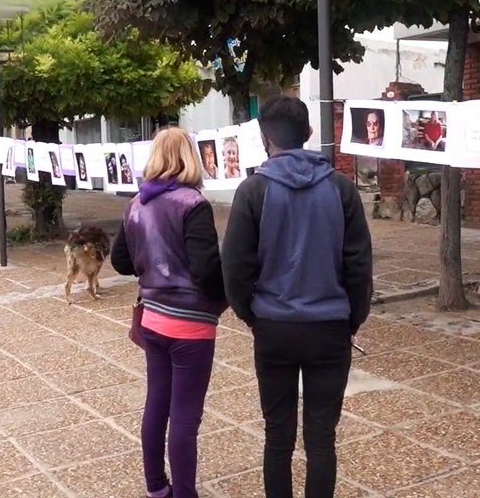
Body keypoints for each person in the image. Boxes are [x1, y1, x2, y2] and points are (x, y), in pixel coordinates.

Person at [221, 96, 373, 498]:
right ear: (309, 135)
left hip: (274, 327)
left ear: (263, 136)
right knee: (321, 437)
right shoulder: (341, 188)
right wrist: (351, 319)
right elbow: (359, 266)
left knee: (278, 436)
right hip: (330, 328)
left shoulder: (252, 190)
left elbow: (235, 267)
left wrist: (252, 315)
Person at [110, 127, 226, 498]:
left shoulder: (136, 204)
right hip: (190, 325)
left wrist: (151, 265)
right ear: (189, 157)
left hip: (152, 321)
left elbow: (120, 261)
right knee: (186, 417)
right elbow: (207, 271)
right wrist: (229, 296)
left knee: (157, 403)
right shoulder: (193, 204)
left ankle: (156, 486)